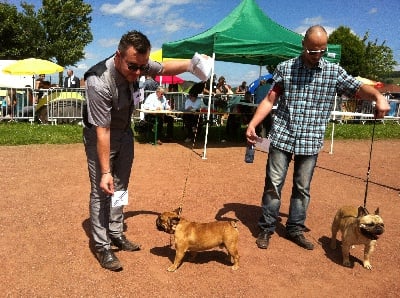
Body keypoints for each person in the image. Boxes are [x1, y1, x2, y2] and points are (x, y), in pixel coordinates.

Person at [245, 25, 390, 251]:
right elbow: (269, 100)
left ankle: (295, 228)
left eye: (322, 51)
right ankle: (266, 227)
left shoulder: (334, 72)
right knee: (273, 185)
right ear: (303, 44)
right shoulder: (285, 68)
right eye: (312, 51)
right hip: (282, 135)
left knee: (302, 188)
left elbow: (360, 88)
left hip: (311, 140)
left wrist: (378, 97)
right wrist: (253, 124)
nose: (317, 55)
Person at [83, 30, 211, 271]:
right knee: (101, 190)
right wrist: (105, 171)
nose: (139, 73)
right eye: (133, 66)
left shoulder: (138, 63)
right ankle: (102, 245)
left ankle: (116, 231)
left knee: (121, 187)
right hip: (101, 136)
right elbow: (102, 131)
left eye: (142, 67)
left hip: (124, 133)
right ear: (118, 55)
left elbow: (163, 69)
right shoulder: (98, 80)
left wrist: (193, 64)